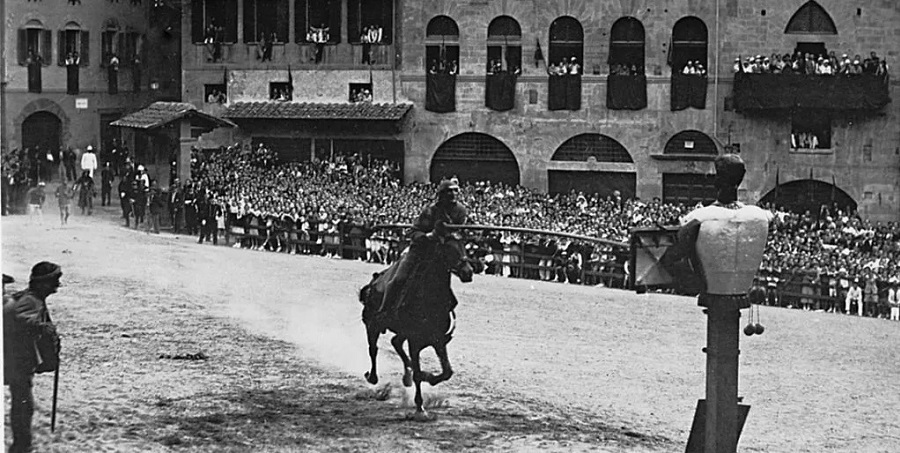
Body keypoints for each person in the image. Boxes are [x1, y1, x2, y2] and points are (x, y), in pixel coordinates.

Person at [663, 154, 773, 453]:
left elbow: (674, 256)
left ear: (715, 179)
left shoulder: (698, 218)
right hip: (739, 293)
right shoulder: (760, 216)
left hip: (714, 294)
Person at [377, 178, 468, 315]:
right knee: (398, 279)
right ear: (442, 195)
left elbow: (459, 232)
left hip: (441, 253)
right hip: (420, 251)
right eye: (450, 192)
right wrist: (429, 236)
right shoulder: (430, 212)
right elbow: (413, 232)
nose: (454, 195)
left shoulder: (460, 211)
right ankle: (383, 312)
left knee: (450, 289)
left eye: (456, 191)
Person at [3, 261, 62, 453]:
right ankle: (22, 446)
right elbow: (20, 318)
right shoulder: (30, 300)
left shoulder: (33, 297)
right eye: (54, 281)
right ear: (43, 283)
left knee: (23, 402)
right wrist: (43, 328)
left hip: (19, 356)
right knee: (23, 404)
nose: (57, 285)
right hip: (16, 357)